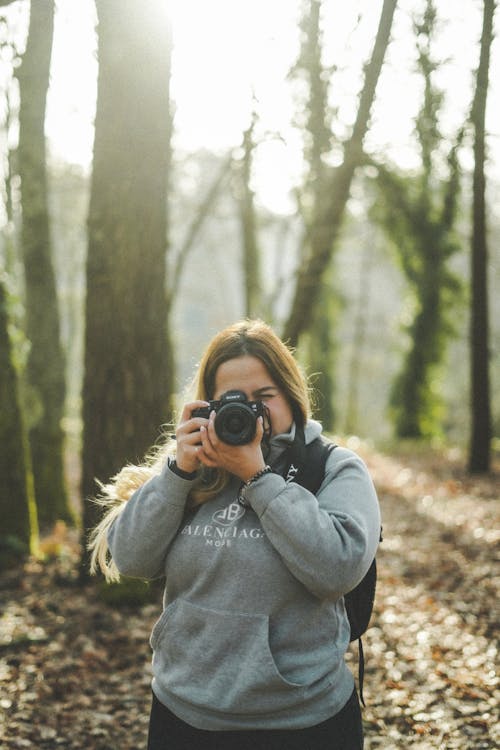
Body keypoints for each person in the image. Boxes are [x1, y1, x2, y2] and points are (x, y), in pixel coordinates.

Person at [89, 319, 381, 750]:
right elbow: (131, 559)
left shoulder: (334, 468)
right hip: (184, 714)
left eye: (264, 397)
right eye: (234, 400)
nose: (250, 413)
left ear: (291, 395)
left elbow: (337, 569)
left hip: (303, 721)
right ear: (207, 404)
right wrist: (176, 473)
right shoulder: (190, 471)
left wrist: (258, 477)